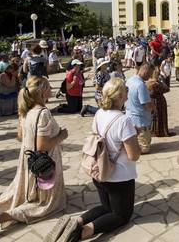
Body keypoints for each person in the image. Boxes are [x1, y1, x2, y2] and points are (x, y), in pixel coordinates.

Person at [0, 77, 68, 239]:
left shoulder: (26, 110)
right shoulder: (43, 113)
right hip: (42, 162)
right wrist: (61, 135)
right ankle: (3, 217)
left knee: (21, 194)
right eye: (48, 86)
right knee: (47, 205)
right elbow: (42, 146)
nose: (51, 88)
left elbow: (20, 136)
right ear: (42, 91)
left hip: (27, 159)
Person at [51, 78, 140, 242]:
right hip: (118, 176)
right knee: (121, 215)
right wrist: (135, 137)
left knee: (106, 207)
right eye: (125, 90)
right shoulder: (124, 120)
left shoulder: (99, 113)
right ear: (120, 96)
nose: (128, 93)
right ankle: (84, 231)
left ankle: (76, 221)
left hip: (98, 169)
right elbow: (133, 155)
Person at [125, 63, 155, 153]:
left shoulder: (130, 80)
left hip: (130, 116)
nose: (150, 77)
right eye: (150, 74)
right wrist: (154, 108)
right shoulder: (141, 85)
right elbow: (147, 104)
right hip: (140, 120)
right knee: (144, 148)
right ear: (145, 71)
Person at [147, 68, 173, 137]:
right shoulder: (155, 84)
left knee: (154, 116)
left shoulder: (148, 83)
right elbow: (167, 89)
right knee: (159, 116)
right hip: (159, 101)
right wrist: (161, 81)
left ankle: (154, 130)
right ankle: (159, 131)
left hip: (152, 101)